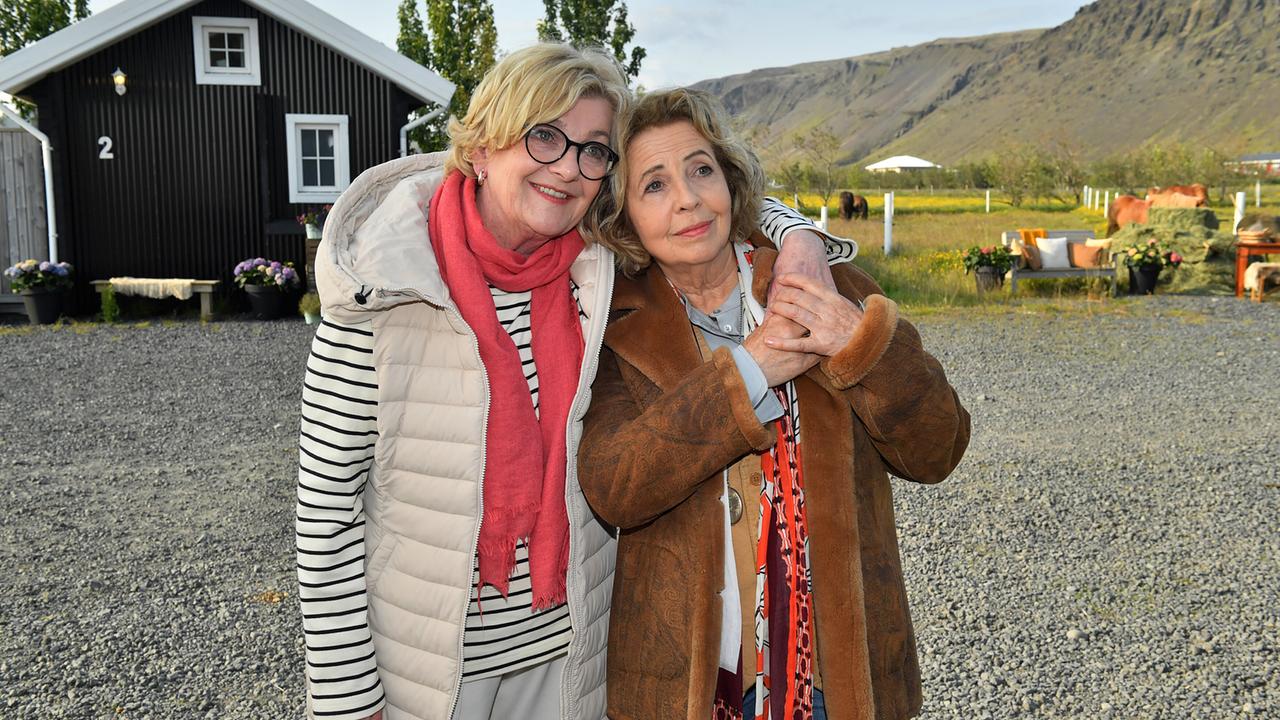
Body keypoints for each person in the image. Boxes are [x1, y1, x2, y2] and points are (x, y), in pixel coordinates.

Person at [296, 45, 843, 720]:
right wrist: (350, 701)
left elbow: (710, 203)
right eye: (545, 137)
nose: (567, 167)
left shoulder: (596, 272)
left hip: (568, 664)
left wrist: (801, 239)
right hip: (429, 673)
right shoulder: (386, 290)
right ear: (486, 143)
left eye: (592, 150)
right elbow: (326, 517)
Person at [577, 87, 971, 720]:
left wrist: (857, 342)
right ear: (624, 217)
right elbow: (614, 485)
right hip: (690, 686)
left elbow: (938, 448)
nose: (687, 198)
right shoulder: (614, 330)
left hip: (839, 677)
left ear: (730, 182)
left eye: (701, 169)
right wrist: (748, 371)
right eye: (653, 185)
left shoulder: (823, 286)